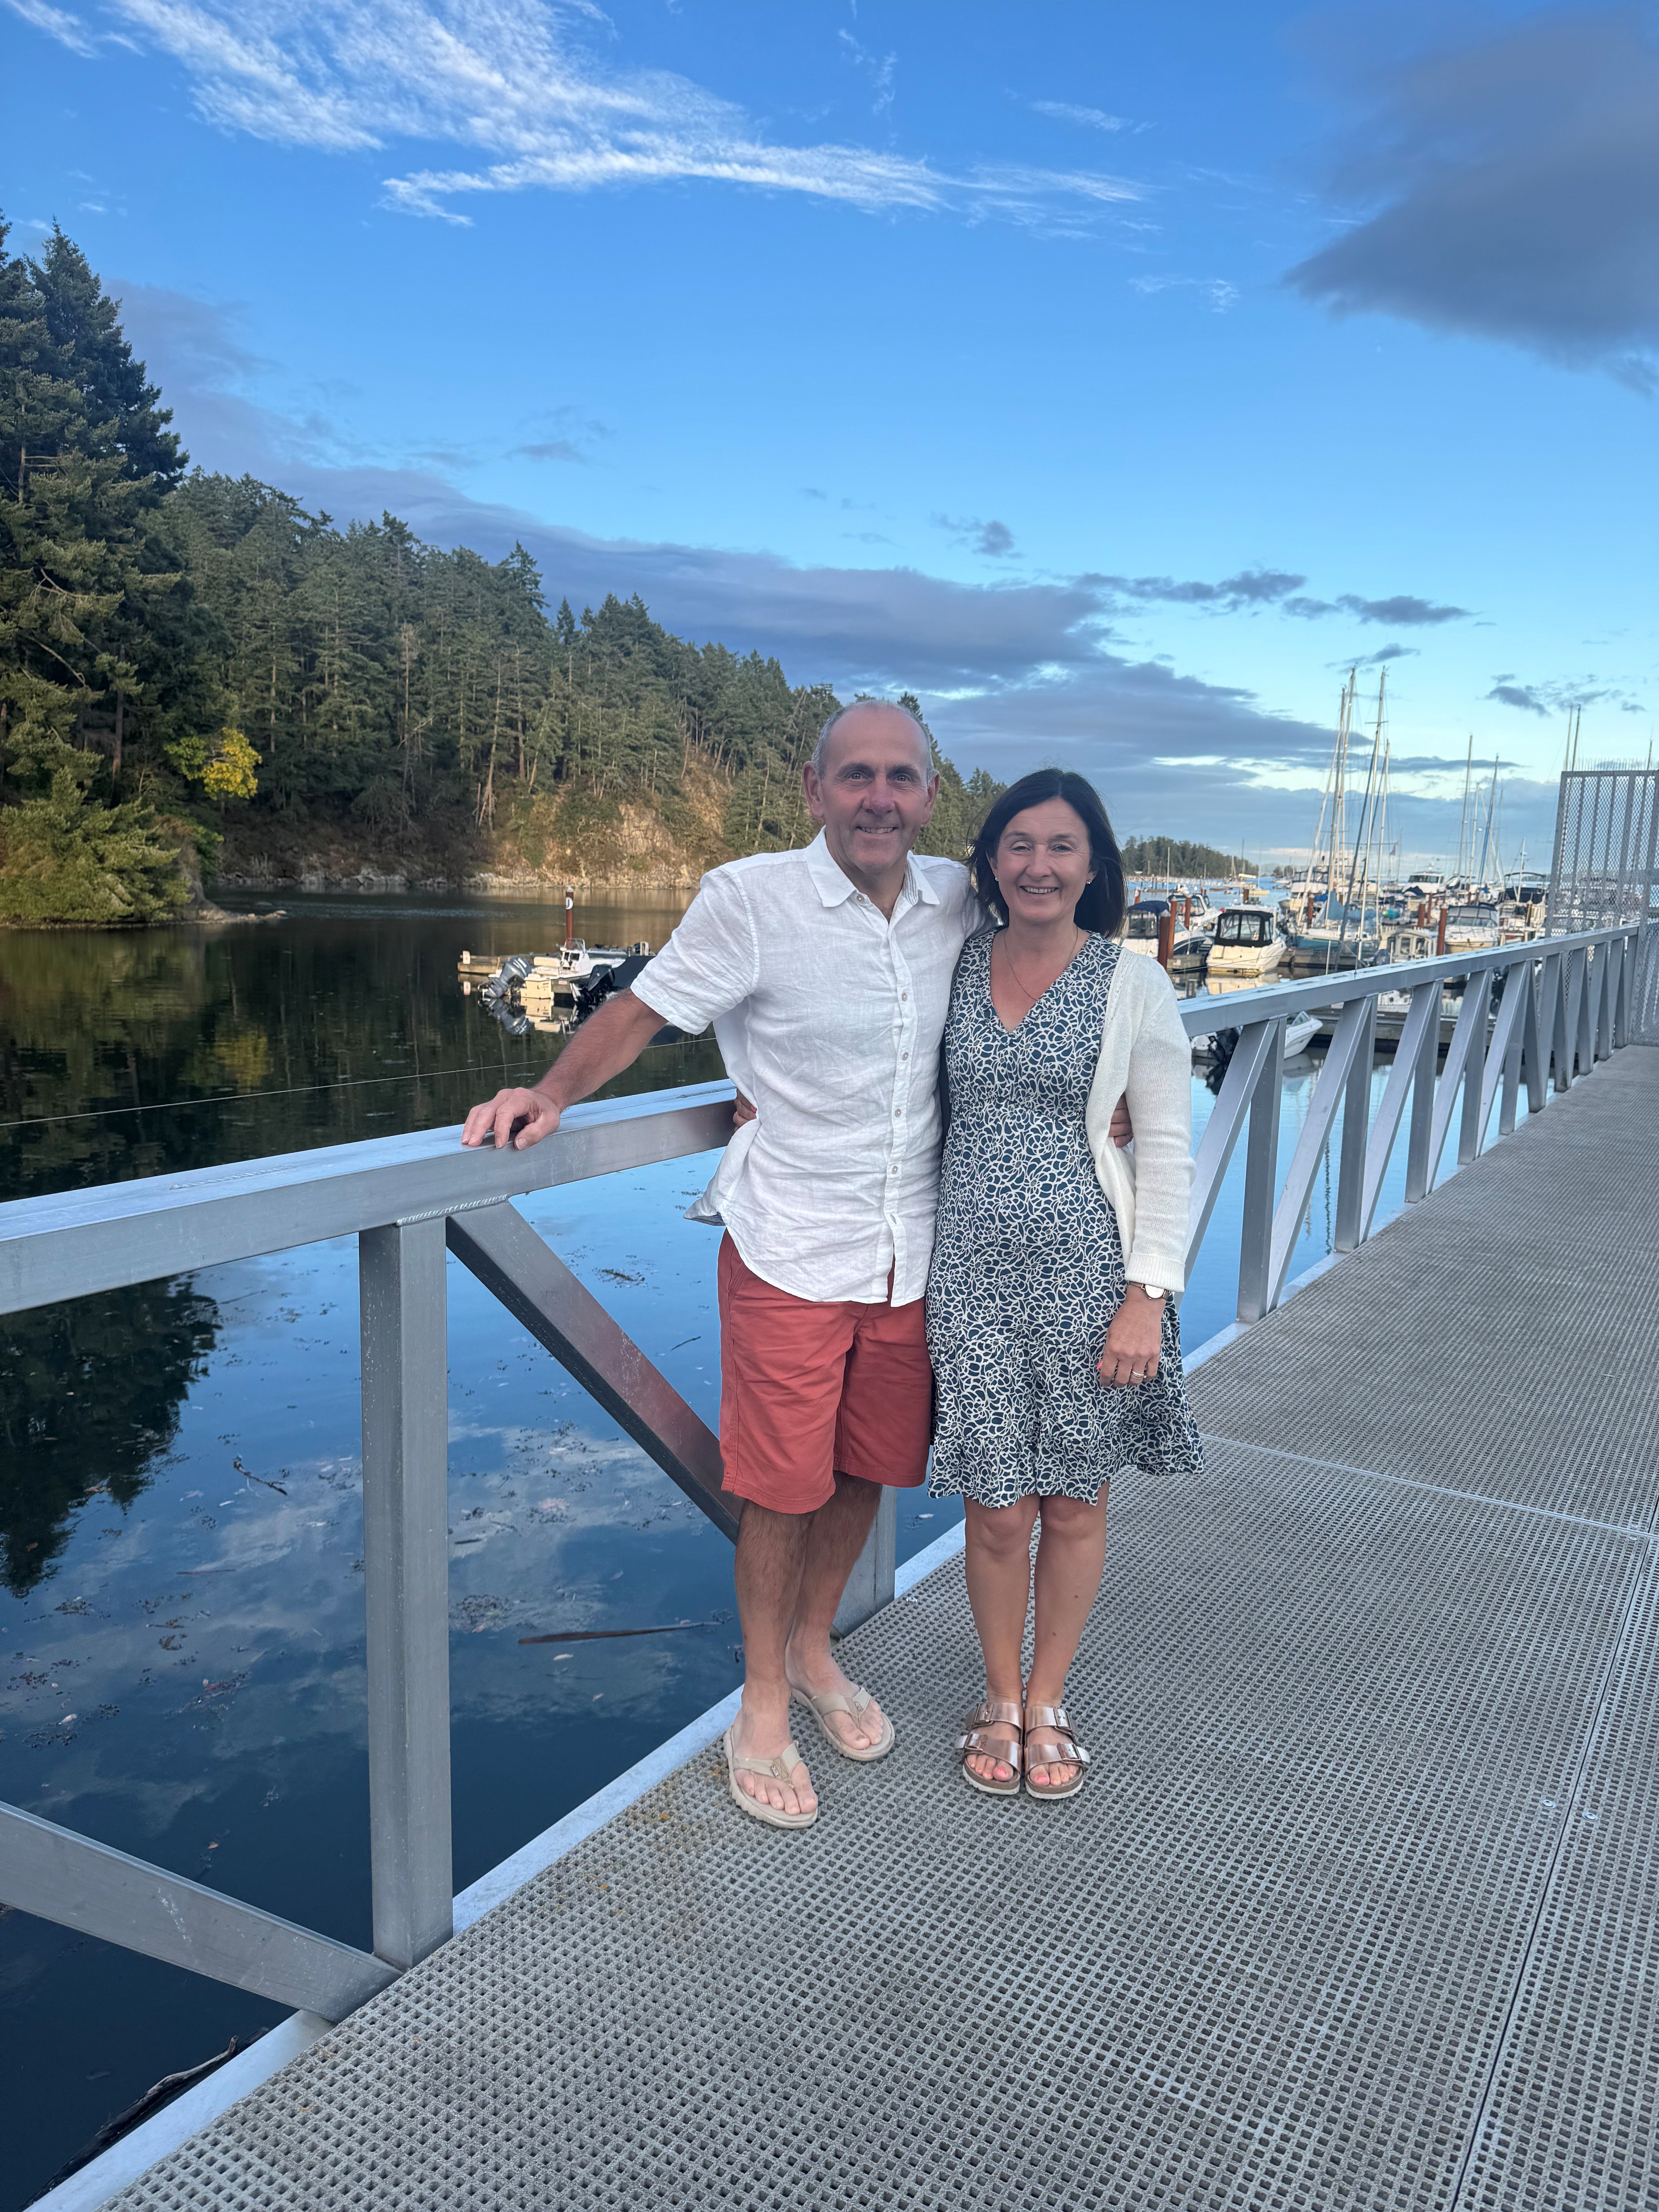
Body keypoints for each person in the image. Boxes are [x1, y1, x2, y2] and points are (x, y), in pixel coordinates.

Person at [462, 700, 980, 1831]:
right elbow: (642, 1013)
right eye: (855, 777)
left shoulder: (960, 899)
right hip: (793, 1246)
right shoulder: (751, 899)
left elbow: (1055, 958)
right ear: (812, 787)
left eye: (900, 777)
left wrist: (1107, 1107)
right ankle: (758, 1698)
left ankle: (813, 1652)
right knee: (778, 1486)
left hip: (916, 1251)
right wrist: (546, 1093)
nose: (877, 798)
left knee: (865, 1469)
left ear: (930, 794)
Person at [926, 768, 1203, 1801]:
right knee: (996, 1504)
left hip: (1091, 1274)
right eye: (1019, 845)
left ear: (1093, 867)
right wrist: (756, 1100)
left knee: (1074, 1503)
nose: (1038, 865)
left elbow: (1166, 1148)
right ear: (991, 861)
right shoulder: (951, 967)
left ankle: (1047, 1698)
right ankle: (995, 1696)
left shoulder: (1133, 983)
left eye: (1061, 847)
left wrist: (1149, 1295)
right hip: (968, 1277)